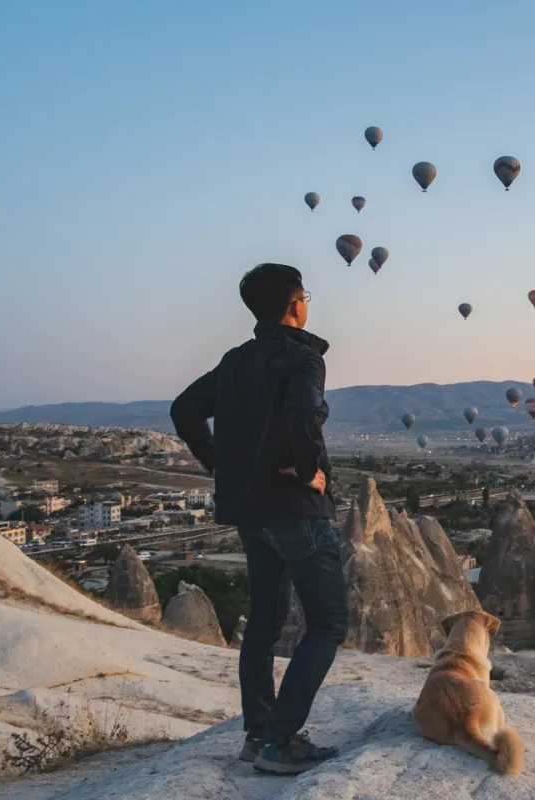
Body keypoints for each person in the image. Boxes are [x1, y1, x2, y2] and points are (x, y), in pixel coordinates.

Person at [170, 263, 347, 775]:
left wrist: (218, 461)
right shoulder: (302, 358)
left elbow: (184, 408)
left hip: (251, 510)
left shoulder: (234, 361)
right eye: (305, 296)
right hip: (295, 509)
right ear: (296, 305)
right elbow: (307, 414)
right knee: (329, 622)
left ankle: (257, 734)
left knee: (266, 623)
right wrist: (308, 468)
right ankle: (281, 741)